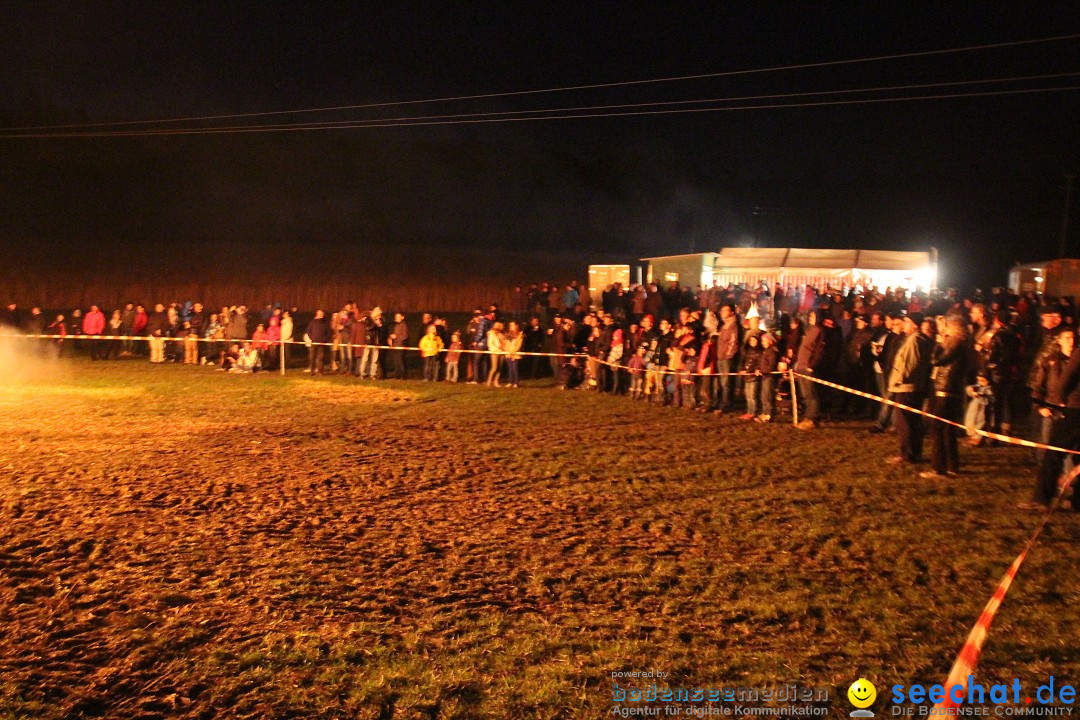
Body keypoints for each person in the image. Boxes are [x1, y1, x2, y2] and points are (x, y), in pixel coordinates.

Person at [1020, 328, 1080, 511]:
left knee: (1054, 454)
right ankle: (1076, 501)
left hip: (1072, 410)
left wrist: (1060, 399)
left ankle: (1042, 499)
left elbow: (1067, 377)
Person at [921, 315, 970, 479]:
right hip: (950, 391)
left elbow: (935, 360)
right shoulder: (961, 345)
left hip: (946, 391)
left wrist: (938, 343)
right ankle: (952, 466)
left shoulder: (955, 345)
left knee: (939, 429)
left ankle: (938, 468)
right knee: (948, 430)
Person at [887, 313, 933, 464]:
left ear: (914, 324)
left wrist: (898, 381)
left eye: (906, 322)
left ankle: (907, 453)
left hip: (907, 387)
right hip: (911, 387)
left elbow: (910, 365)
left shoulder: (915, 341)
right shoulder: (916, 339)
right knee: (912, 421)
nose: (904, 325)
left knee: (905, 422)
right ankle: (914, 451)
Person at [794, 310, 827, 429]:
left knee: (811, 394)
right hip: (802, 365)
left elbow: (819, 350)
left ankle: (812, 418)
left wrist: (812, 365)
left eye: (814, 316)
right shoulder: (810, 330)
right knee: (805, 394)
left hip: (808, 366)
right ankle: (808, 416)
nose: (811, 318)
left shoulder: (819, 331)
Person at [756, 330, 781, 422]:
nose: (762, 343)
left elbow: (770, 366)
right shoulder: (766, 351)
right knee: (764, 396)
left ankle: (768, 414)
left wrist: (762, 371)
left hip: (769, 377)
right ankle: (765, 412)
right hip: (765, 376)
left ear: (769, 341)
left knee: (768, 396)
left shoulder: (772, 352)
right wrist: (759, 369)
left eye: (764, 341)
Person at [306, 310, 330, 374]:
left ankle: (320, 371)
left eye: (322, 314)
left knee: (321, 358)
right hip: (314, 342)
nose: (321, 315)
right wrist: (312, 338)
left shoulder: (325, 323)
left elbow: (328, 333)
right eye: (319, 314)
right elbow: (308, 330)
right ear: (317, 315)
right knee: (312, 357)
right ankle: (312, 371)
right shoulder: (313, 322)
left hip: (322, 343)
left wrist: (325, 339)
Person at [486, 321, 506, 387]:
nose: (502, 327)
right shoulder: (491, 334)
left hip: (502, 352)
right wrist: (497, 347)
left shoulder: (502, 334)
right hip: (494, 352)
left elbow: (504, 342)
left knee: (499, 368)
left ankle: (496, 381)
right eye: (501, 326)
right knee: (494, 367)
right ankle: (489, 381)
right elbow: (490, 344)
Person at [504, 320, 523, 388]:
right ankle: (510, 382)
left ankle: (516, 382)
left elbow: (518, 345)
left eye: (512, 325)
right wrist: (508, 352)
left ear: (516, 326)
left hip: (515, 354)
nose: (511, 326)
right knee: (510, 368)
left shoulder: (519, 335)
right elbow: (506, 344)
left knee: (515, 368)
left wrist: (513, 352)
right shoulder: (508, 334)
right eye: (510, 325)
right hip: (508, 354)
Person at [390, 312, 409, 379]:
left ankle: (403, 375)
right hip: (395, 345)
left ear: (402, 317)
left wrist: (396, 336)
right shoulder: (396, 325)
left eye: (398, 316)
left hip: (400, 346)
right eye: (395, 316)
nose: (396, 318)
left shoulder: (404, 325)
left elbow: (405, 336)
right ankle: (397, 375)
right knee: (396, 361)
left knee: (400, 361)